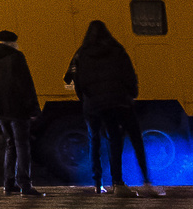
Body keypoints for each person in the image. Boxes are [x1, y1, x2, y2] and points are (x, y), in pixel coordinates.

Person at [66, 21, 157, 197]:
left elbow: (77, 80)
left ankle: (99, 183)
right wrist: (132, 93)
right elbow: (128, 74)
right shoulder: (117, 49)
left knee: (96, 141)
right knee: (130, 138)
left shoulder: (82, 53)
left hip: (94, 105)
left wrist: (85, 98)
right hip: (120, 102)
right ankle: (139, 182)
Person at [0, 29, 43, 197]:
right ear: (13, 43)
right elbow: (25, 85)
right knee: (22, 146)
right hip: (17, 110)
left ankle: (9, 183)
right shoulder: (16, 57)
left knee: (10, 144)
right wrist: (33, 109)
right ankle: (25, 185)